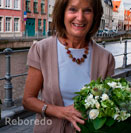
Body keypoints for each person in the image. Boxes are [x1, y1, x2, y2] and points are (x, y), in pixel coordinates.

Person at [22, 0, 115, 132]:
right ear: (62, 13)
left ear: (95, 16)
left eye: (87, 10)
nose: (80, 17)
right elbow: (28, 100)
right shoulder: (42, 50)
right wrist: (60, 111)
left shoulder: (106, 58)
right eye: (73, 9)